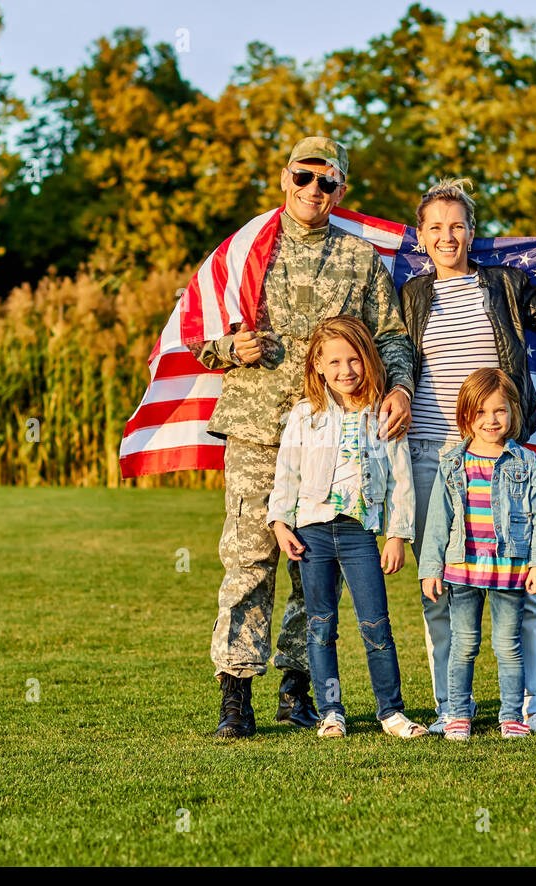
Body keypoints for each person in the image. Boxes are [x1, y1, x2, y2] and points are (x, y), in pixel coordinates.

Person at [188, 136, 416, 739]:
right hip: (259, 431)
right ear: (285, 178)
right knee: (249, 558)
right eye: (303, 176)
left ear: (340, 190)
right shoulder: (246, 251)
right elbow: (198, 335)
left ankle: (298, 691)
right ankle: (235, 695)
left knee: (312, 571)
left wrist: (401, 388)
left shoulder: (361, 257)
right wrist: (226, 348)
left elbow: (390, 336)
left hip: (333, 433)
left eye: (326, 181)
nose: (313, 189)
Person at [402, 178, 536, 734]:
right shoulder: (412, 295)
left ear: (471, 233)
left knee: (519, 587)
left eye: (457, 226)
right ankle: (453, 710)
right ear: (421, 238)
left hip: (501, 458)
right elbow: (394, 363)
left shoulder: (505, 283)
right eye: (435, 227)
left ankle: (529, 708)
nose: (447, 235)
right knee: (443, 586)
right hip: (431, 455)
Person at [267, 316, 426, 739]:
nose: (346, 371)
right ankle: (331, 711)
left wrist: (397, 535)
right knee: (321, 625)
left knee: (376, 626)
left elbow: (400, 480)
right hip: (312, 533)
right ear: (318, 364)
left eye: (354, 359)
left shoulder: (384, 415)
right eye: (334, 361)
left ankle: (391, 712)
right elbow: (287, 473)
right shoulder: (306, 415)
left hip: (360, 535)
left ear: (369, 360)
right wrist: (280, 523)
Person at [418, 368, 536, 740]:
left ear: (512, 413)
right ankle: (458, 713)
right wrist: (431, 569)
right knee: (464, 643)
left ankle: (512, 715)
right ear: (465, 415)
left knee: (508, 645)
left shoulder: (524, 462)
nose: (491, 420)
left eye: (500, 411)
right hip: (462, 569)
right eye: (480, 413)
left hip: (510, 570)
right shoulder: (453, 463)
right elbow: (437, 522)